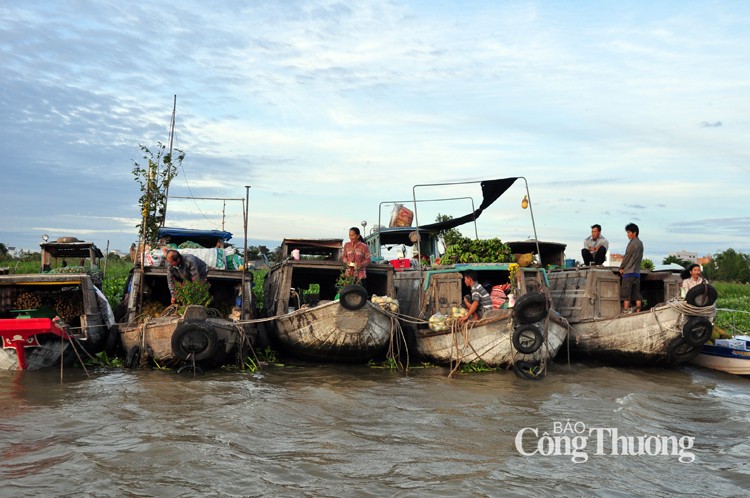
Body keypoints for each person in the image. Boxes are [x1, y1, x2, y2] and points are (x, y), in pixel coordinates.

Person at [618, 223, 643, 312]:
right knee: (637, 295)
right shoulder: (640, 243)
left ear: (634, 233)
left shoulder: (632, 243)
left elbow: (627, 256)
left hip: (628, 273)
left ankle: (625, 313)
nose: (627, 234)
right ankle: (638, 313)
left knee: (626, 295)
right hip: (637, 273)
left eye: (628, 232)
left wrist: (621, 267)